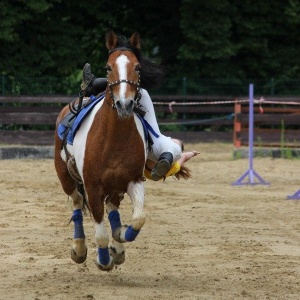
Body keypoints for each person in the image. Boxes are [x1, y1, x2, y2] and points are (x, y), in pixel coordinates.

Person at [81, 63, 183, 181]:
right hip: (148, 157)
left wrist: (185, 152)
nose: (174, 139)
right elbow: (183, 157)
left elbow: (183, 156)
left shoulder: (174, 160)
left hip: (147, 155)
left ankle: (93, 85)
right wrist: (188, 153)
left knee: (142, 93)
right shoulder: (174, 160)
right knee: (172, 149)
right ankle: (166, 157)